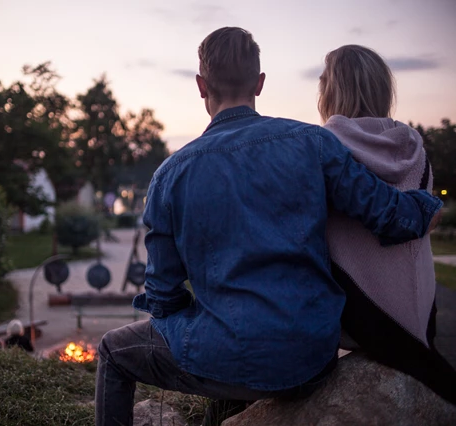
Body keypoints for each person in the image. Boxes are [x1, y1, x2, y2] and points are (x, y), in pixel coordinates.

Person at [95, 27, 443, 426]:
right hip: (309, 360)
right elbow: (390, 216)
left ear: (200, 85)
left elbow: (161, 295)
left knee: (111, 352)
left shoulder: (169, 175)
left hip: (222, 358)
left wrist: (206, 321)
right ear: (260, 83)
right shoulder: (314, 143)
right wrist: (429, 206)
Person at [319, 44, 456, 404]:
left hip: (355, 318)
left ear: (331, 89)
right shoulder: (415, 148)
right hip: (421, 308)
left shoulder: (324, 148)